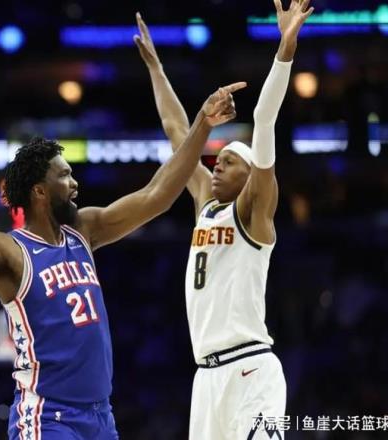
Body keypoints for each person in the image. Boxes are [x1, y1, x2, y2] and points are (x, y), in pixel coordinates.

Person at [0, 70, 244, 439]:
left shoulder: (83, 231)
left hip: (100, 417)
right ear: (39, 192)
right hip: (47, 417)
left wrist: (203, 124)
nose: (75, 183)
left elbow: (157, 195)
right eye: (64, 176)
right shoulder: (10, 251)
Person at [135, 0, 314, 438]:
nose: (216, 166)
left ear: (251, 176)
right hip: (206, 378)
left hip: (250, 368)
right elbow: (178, 132)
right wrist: (157, 69)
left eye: (228, 162)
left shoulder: (254, 211)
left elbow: (264, 120)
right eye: (217, 161)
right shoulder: (205, 203)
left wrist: (285, 49)